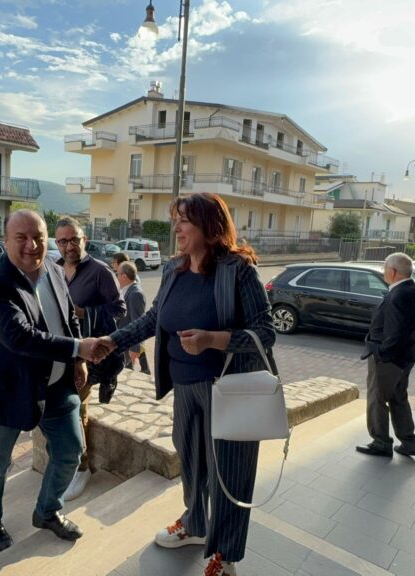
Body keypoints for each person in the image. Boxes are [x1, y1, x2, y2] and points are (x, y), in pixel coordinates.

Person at [95, 193, 276, 576]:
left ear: (210, 227)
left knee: (229, 473)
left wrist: (213, 339)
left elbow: (265, 331)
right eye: (175, 219)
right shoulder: (174, 269)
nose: (175, 227)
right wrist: (114, 341)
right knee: (192, 464)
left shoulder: (237, 269)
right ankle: (195, 525)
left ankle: (225, 557)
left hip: (227, 389)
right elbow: (154, 319)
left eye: (184, 221)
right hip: (186, 386)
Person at [0, 209, 106, 552]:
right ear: (5, 242)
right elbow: (21, 337)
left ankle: (47, 511)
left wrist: (77, 359)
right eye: (21, 238)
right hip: (8, 391)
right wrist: (79, 347)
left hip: (58, 387)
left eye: (38, 237)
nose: (32, 245)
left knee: (70, 453)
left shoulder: (56, 271)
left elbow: (70, 316)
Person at [54, 218, 126, 501]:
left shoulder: (100, 272)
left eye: (74, 239)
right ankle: (66, 459)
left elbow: (119, 309)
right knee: (61, 408)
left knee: (76, 409)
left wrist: (86, 313)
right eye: (63, 241)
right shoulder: (54, 269)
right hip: (60, 352)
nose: (69, 246)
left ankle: (81, 468)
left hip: (88, 356)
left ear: (84, 239)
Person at [356, 252, 415, 458]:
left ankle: (381, 442)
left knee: (377, 399)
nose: (383, 273)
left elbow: (396, 331)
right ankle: (409, 442)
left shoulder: (398, 294)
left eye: (384, 268)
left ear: (392, 271)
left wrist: (381, 353)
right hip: (406, 356)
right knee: (398, 398)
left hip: (388, 359)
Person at [116, 261, 151, 375]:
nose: (116, 277)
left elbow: (138, 322)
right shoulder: (125, 288)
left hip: (127, 344)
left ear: (124, 277)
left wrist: (135, 348)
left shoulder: (136, 294)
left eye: (117, 274)